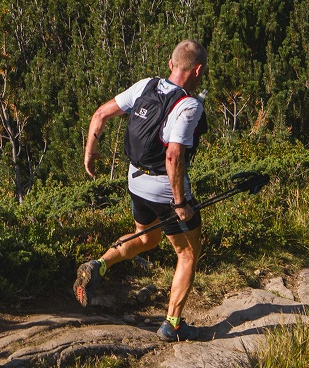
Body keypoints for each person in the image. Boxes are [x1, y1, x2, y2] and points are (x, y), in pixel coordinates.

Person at [74, 40, 209, 342]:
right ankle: (172, 323)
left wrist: (90, 153)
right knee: (187, 252)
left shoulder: (145, 85)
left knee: (147, 237)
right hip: (165, 189)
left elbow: (100, 115)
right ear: (198, 70)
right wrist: (180, 203)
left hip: (135, 180)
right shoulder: (189, 105)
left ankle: (99, 265)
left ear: (171, 63)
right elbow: (174, 155)